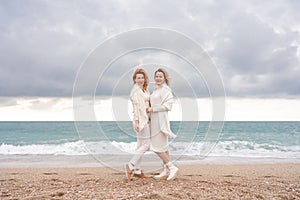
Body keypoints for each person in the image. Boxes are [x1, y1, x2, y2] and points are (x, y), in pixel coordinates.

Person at [146, 68, 179, 181]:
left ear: (164, 78)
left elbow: (167, 106)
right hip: (154, 120)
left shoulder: (165, 90)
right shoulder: (156, 89)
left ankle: (172, 167)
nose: (158, 78)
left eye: (160, 76)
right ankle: (165, 170)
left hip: (160, 120)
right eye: (156, 76)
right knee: (163, 147)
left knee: (156, 147)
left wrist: (152, 109)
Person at [125, 68, 151, 182]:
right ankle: (131, 165)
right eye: (138, 78)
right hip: (141, 121)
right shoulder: (136, 91)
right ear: (135, 80)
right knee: (147, 144)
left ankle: (137, 171)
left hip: (146, 119)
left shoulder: (144, 90)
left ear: (145, 79)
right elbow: (136, 108)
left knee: (140, 145)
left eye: (142, 77)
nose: (140, 79)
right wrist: (136, 122)